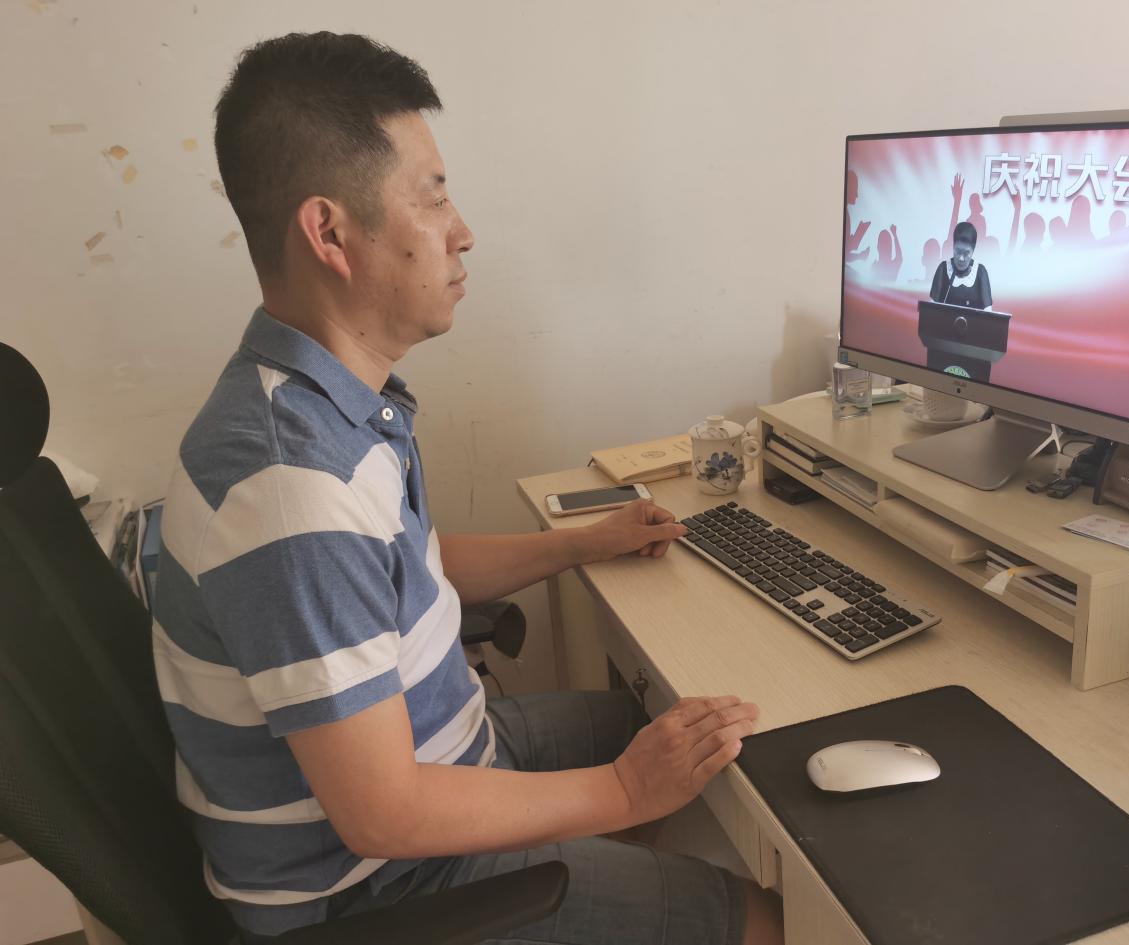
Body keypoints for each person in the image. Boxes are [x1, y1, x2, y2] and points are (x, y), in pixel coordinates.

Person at [153, 32, 781, 945]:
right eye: (432, 196)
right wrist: (622, 790)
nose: (462, 230)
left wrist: (581, 543)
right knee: (769, 916)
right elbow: (385, 814)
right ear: (329, 234)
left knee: (691, 733)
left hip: (453, 751)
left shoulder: (319, 404)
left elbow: (404, 570)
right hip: (373, 887)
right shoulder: (289, 486)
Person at [929, 221, 992, 310]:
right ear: (953, 246)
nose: (961, 258)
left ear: (973, 251)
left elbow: (988, 310)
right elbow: (931, 308)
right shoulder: (943, 268)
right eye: (957, 251)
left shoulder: (980, 272)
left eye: (966, 253)